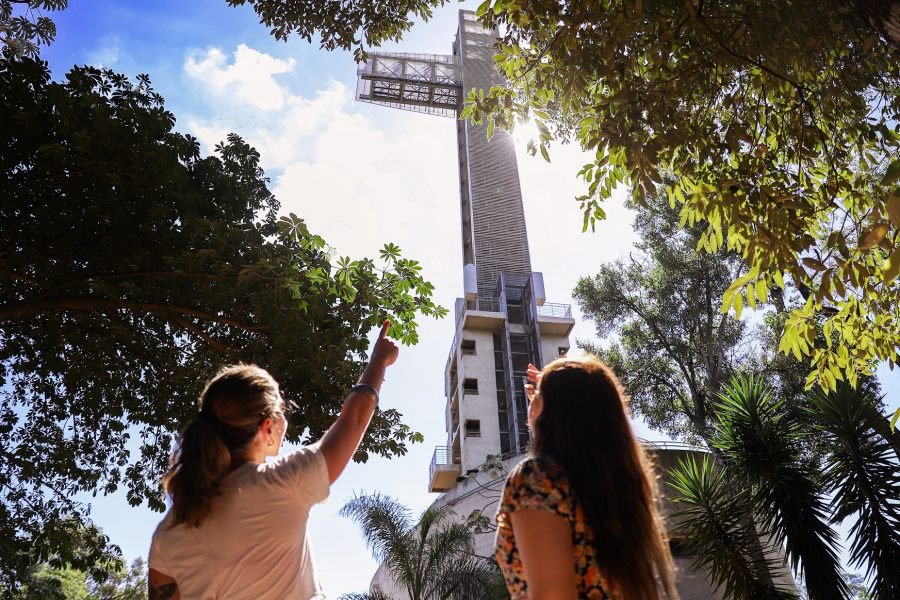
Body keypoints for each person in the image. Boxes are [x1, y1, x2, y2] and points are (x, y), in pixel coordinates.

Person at [147, 320, 399, 600]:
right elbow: (354, 419)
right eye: (282, 411)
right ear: (267, 426)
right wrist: (379, 360)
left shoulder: (168, 532)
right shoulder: (285, 481)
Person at [495, 355, 679, 600]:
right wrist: (562, 386)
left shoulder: (537, 480)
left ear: (550, 410)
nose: (532, 398)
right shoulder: (617, 491)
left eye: (537, 394)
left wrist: (556, 386)